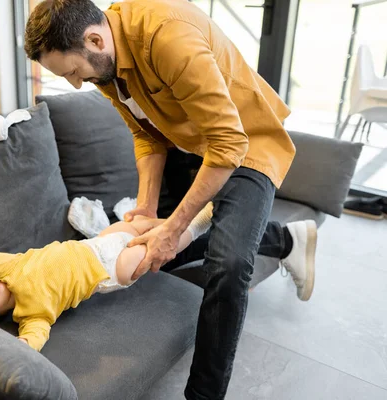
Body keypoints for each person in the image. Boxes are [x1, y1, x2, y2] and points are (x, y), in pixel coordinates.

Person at [23, 1, 312, 398]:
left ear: (95, 39)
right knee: (150, 252)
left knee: (228, 265)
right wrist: (145, 208)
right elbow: (146, 134)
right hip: (191, 142)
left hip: (246, 141)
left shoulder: (167, 36)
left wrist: (174, 227)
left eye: (73, 71)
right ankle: (287, 240)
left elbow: (229, 144)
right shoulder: (104, 64)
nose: (76, 83)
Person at [0, 204, 312, 352]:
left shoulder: (7, 267)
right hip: (109, 271)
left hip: (96, 244)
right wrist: (20, 351)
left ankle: (189, 220)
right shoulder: (31, 313)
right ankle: (196, 222)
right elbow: (34, 339)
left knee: (137, 222)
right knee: (144, 254)